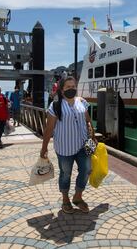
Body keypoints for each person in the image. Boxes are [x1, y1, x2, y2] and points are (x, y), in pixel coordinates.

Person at [40, 76, 95, 214]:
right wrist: (44, 147)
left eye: (73, 86)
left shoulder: (82, 102)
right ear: (62, 89)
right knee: (66, 174)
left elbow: (88, 120)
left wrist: (92, 132)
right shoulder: (55, 106)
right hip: (64, 147)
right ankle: (65, 199)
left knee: (87, 170)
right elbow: (49, 128)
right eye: (68, 87)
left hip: (84, 144)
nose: (72, 89)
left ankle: (78, 197)